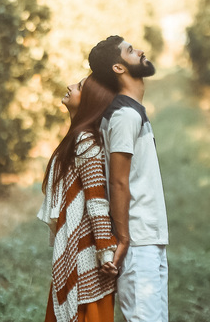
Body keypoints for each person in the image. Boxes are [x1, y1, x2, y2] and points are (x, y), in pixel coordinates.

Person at [87, 35, 169, 322]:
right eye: (131, 51)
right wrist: (123, 239)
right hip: (137, 240)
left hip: (149, 238)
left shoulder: (132, 111)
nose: (140, 51)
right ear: (118, 68)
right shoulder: (124, 116)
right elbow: (118, 182)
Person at [38, 75, 119, 322]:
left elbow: (97, 201)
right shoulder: (78, 137)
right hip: (76, 250)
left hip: (86, 256)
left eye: (79, 87)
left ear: (90, 101)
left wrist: (106, 254)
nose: (70, 86)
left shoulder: (87, 142)